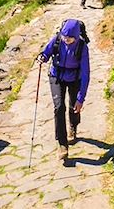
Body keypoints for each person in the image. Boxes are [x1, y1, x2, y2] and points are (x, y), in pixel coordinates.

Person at [37, 19, 90, 161]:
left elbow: (86, 74)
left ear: (77, 36)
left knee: (74, 106)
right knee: (59, 107)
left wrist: (81, 98)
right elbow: (46, 52)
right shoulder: (57, 40)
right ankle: (62, 144)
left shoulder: (82, 47)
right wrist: (43, 57)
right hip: (57, 75)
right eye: (65, 37)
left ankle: (73, 126)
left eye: (70, 38)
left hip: (75, 78)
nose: (66, 40)